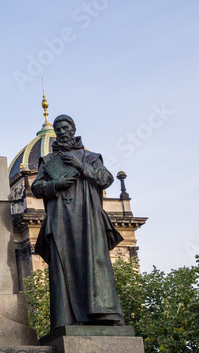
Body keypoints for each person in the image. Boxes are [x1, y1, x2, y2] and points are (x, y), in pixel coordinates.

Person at [31, 114, 125, 330]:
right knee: (63, 268)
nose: (62, 131)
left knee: (94, 264)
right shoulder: (48, 161)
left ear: (73, 129)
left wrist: (81, 166)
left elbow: (106, 178)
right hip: (61, 221)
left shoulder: (90, 156)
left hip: (88, 220)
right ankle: (67, 319)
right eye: (58, 128)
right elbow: (37, 188)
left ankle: (102, 314)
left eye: (66, 127)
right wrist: (56, 184)